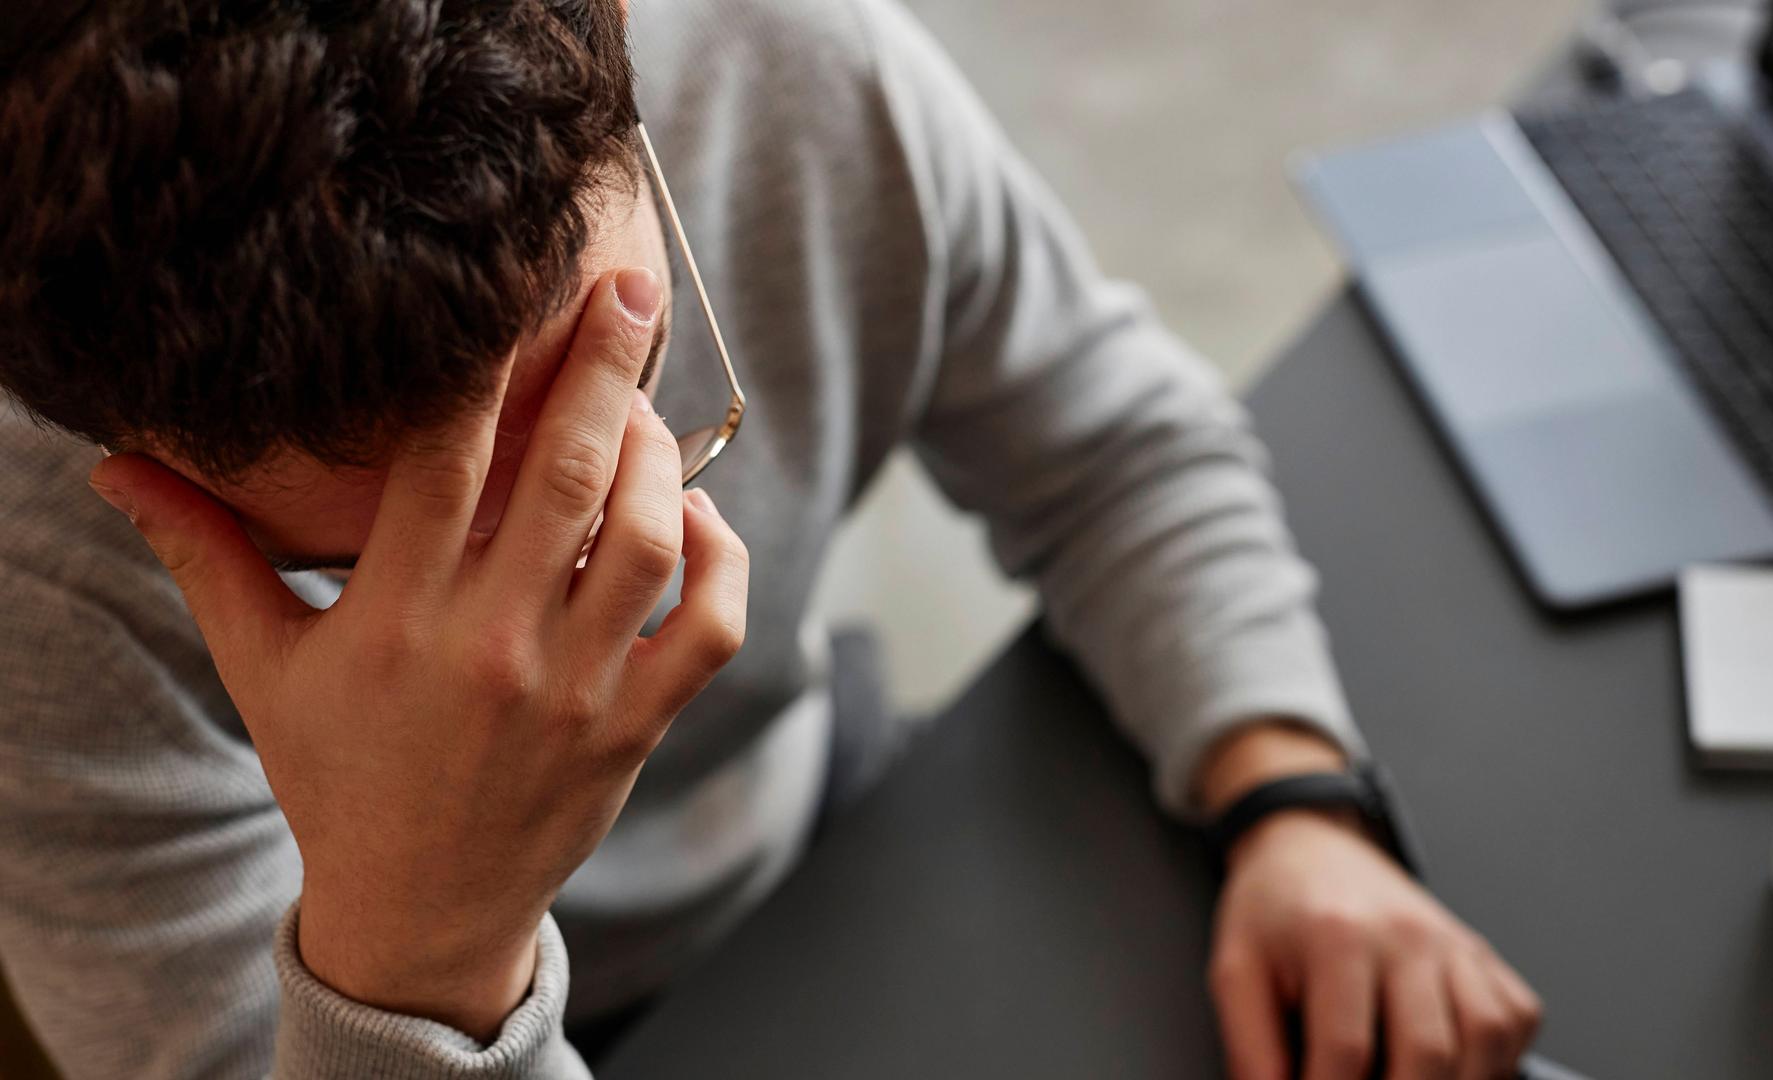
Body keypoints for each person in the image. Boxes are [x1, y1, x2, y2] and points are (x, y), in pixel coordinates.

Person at [0, 1, 1541, 1077]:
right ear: (127, 456)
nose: (609, 574)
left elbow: (1107, 437)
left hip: (831, 835)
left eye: (641, 391)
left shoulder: (782, 62)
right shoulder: (33, 591)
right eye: (376, 576)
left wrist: (1291, 799)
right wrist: (417, 963)